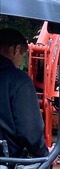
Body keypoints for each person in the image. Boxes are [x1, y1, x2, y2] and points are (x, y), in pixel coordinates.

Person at [0, 27, 48, 159]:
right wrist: (43, 154)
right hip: (6, 163)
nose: (21, 61)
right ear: (15, 49)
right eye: (22, 55)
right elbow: (30, 131)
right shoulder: (17, 80)